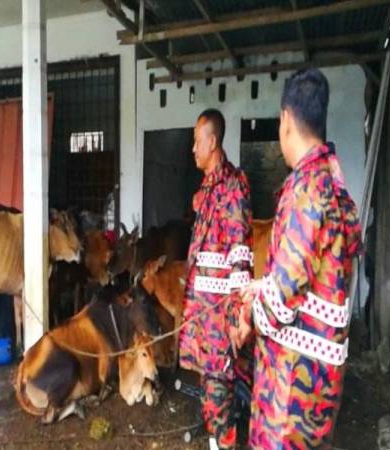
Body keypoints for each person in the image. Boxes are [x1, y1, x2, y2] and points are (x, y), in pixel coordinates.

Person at [238, 68, 362, 449]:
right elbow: (309, 275)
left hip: (292, 387)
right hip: (318, 377)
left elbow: (281, 298)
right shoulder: (333, 182)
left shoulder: (307, 189)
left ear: (286, 121)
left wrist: (249, 311)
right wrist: (261, 284)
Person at [179, 109, 254, 450]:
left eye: (197, 141)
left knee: (221, 399)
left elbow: (240, 253)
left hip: (220, 320)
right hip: (202, 319)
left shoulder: (232, 186)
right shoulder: (207, 190)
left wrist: (240, 314)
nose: (193, 148)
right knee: (211, 399)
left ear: (212, 142)